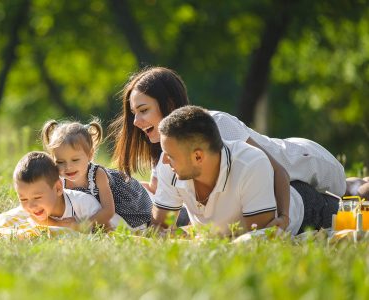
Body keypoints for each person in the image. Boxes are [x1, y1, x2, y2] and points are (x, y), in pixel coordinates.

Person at [110, 66, 346, 230]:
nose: (136, 122)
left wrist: (283, 217)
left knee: (348, 190)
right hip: (278, 185)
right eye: (134, 113)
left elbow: (277, 170)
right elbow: (162, 190)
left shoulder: (216, 125)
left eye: (143, 110)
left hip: (301, 161)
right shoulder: (168, 148)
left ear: (169, 104)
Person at [155, 106, 338, 235]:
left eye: (170, 155)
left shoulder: (250, 162)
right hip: (263, 186)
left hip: (305, 205)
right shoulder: (170, 166)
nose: (163, 160)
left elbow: (256, 238)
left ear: (198, 157)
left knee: (353, 206)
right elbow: (159, 229)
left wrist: (284, 215)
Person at [41, 119, 152, 229]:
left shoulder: (98, 175)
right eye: (60, 162)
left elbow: (108, 211)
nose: (68, 167)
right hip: (94, 212)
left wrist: (82, 225)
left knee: (112, 227)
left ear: (90, 154)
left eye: (75, 160)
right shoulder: (58, 178)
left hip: (125, 209)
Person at [13, 151, 126, 230]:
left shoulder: (83, 203)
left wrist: (79, 227)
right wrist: (59, 224)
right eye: (23, 199)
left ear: (58, 188)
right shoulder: (33, 208)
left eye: (37, 197)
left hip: (123, 221)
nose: (31, 206)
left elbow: (107, 226)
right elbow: (32, 217)